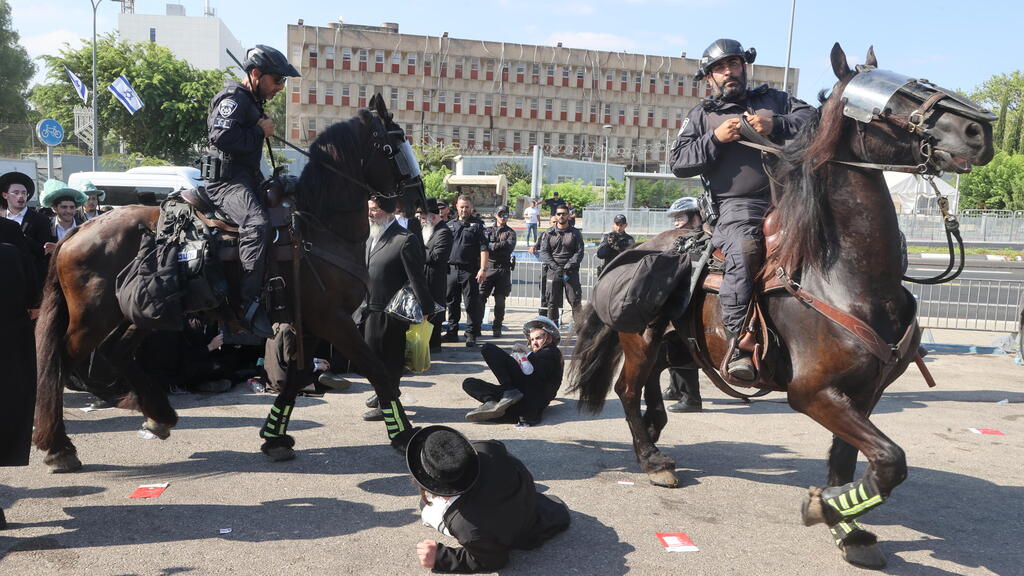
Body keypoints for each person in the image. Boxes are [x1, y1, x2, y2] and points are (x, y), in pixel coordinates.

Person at [670, 38, 814, 381]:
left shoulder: (775, 100)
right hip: (739, 207)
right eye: (720, 68)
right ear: (709, 78)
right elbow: (678, 162)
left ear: (743, 67)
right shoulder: (702, 116)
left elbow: (813, 119)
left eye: (733, 64)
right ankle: (740, 344)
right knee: (745, 249)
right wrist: (715, 138)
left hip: (794, 196)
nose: (728, 72)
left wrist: (776, 125)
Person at [204, 44, 300, 338]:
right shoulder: (233, 98)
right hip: (226, 183)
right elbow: (220, 136)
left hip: (247, 179)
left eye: (284, 81)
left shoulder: (252, 101)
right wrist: (261, 131)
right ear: (256, 74)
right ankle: (246, 306)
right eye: (277, 80)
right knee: (256, 224)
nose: (281, 87)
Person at [408, 426, 570, 573]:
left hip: (499, 527)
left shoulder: (465, 525)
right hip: (525, 504)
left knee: (426, 509)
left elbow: (493, 561)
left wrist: (441, 557)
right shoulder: (487, 448)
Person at [359, 195, 436, 439]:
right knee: (372, 357)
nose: (370, 214)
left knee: (389, 360)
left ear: (390, 212)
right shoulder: (369, 235)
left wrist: (426, 308)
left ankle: (388, 403)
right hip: (369, 307)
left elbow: (417, 278)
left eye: (375, 210)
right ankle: (385, 394)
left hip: (392, 312)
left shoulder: (405, 240)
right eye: (369, 209)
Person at [462, 316, 563, 426]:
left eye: (538, 338)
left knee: (488, 349)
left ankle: (508, 394)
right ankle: (494, 403)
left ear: (549, 339)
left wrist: (527, 352)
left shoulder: (552, 352)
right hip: (519, 401)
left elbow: (540, 373)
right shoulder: (537, 354)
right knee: (469, 383)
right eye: (532, 339)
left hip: (532, 398)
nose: (534, 343)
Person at [661, 197, 705, 412]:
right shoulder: (685, 240)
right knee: (671, 345)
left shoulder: (704, 241)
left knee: (682, 347)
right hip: (678, 303)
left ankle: (691, 398)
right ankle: (675, 388)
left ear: (696, 217)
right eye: (676, 218)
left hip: (691, 307)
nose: (677, 222)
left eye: (682, 217)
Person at [443, 195, 489, 347]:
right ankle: (452, 332)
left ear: (471, 207)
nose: (464, 209)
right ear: (456, 207)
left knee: (471, 304)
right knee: (452, 303)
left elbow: (484, 249)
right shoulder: (449, 225)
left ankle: (471, 334)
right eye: (461, 207)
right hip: (451, 270)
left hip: (469, 270)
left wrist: (483, 268)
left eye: (467, 207)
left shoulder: (477, 226)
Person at [1, 170, 50, 291]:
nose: (21, 196)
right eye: (16, 193)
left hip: (30, 278)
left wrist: (18, 235)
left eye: (24, 193)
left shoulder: (40, 219)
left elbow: (43, 251)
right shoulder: (1, 218)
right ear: (5, 195)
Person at [417, 198, 454, 350]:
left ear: (433, 216)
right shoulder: (427, 230)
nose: (422, 221)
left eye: (424, 218)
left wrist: (417, 247)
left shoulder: (443, 232)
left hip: (434, 282)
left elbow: (436, 257)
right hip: (423, 280)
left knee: (434, 315)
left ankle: (433, 346)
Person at [538, 205, 584, 326]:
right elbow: (544, 252)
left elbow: (579, 252)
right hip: (553, 271)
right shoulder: (549, 233)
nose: (561, 216)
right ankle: (553, 328)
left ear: (568, 215)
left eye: (563, 214)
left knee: (575, 301)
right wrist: (554, 266)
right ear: (555, 215)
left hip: (570, 272)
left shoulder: (575, 233)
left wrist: (569, 265)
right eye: (558, 214)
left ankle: (580, 329)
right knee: (552, 302)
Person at [480, 206, 517, 337]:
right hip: (488, 267)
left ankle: (497, 327)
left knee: (500, 302)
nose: (503, 217)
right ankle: (476, 327)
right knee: (480, 298)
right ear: (495, 215)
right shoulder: (487, 230)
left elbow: (509, 247)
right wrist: (495, 246)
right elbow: (483, 245)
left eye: (505, 215)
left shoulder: (511, 232)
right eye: (500, 214)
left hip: (503, 269)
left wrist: (494, 246)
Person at [39, 179, 88, 252]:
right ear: (55, 208)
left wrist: (58, 249)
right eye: (64, 207)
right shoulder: (46, 226)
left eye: (72, 207)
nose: (68, 211)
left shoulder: (83, 228)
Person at [529, 214, 558, 317]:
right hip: (546, 267)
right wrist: (533, 247)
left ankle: (556, 317)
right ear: (550, 223)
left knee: (556, 294)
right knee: (544, 292)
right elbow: (536, 245)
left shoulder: (563, 233)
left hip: (558, 268)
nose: (555, 223)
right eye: (553, 222)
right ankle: (542, 315)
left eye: (557, 221)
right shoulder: (544, 234)